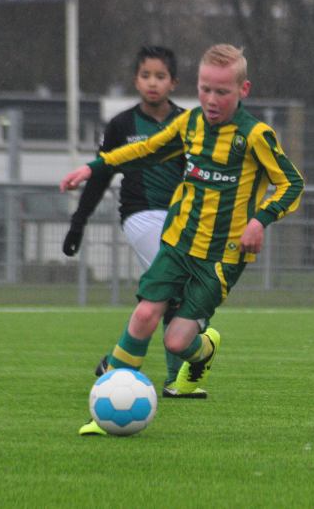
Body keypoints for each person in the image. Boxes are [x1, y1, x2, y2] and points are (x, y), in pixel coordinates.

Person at [61, 44, 305, 435]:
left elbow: (291, 183)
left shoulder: (255, 135)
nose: (211, 99)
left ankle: (204, 349)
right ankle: (103, 413)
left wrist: (260, 221)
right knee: (143, 315)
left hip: (222, 256)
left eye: (221, 92)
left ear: (243, 90)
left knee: (177, 342)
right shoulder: (189, 124)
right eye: (205, 89)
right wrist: (94, 167)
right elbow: (144, 150)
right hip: (177, 242)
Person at [62, 45, 207, 403]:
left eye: (160, 76)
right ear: (135, 80)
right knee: (173, 289)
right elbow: (100, 174)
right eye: (146, 76)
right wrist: (78, 223)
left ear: (173, 81)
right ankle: (172, 378)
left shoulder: (188, 123)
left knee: (169, 295)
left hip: (181, 219)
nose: (152, 83)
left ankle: (119, 365)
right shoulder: (122, 125)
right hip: (140, 216)